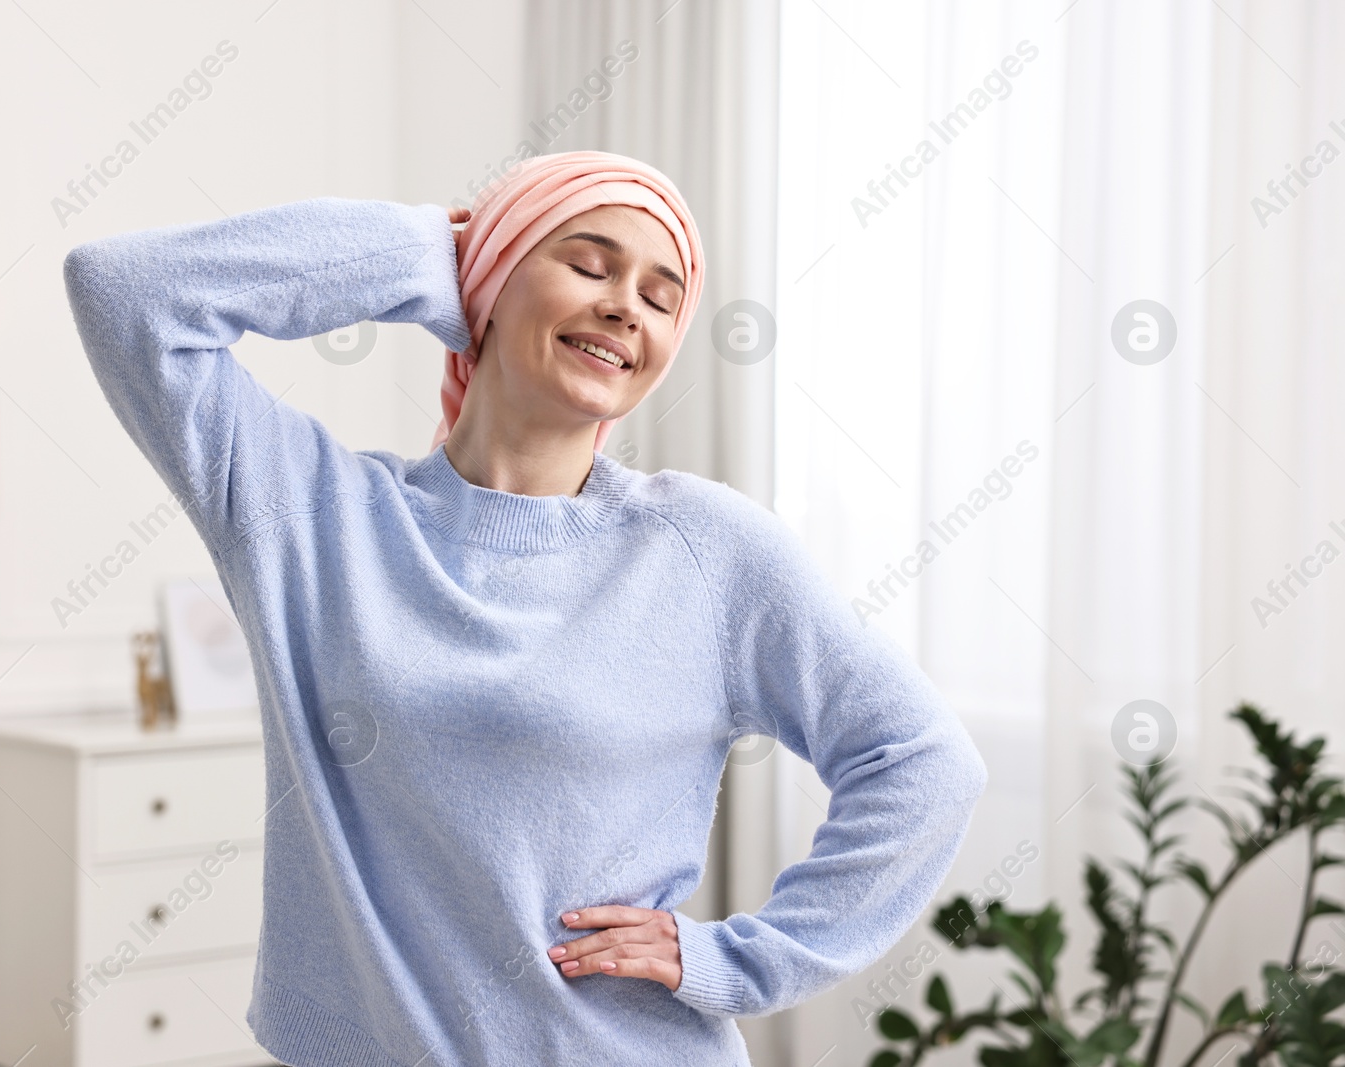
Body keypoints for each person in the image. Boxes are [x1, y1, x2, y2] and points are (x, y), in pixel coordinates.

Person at [62, 150, 988, 1067]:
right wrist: (425, 253)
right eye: (588, 263)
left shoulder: (707, 550)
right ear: (492, 286)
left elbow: (924, 761)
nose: (627, 303)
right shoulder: (308, 513)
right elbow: (124, 291)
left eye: (663, 298)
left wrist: (739, 960)